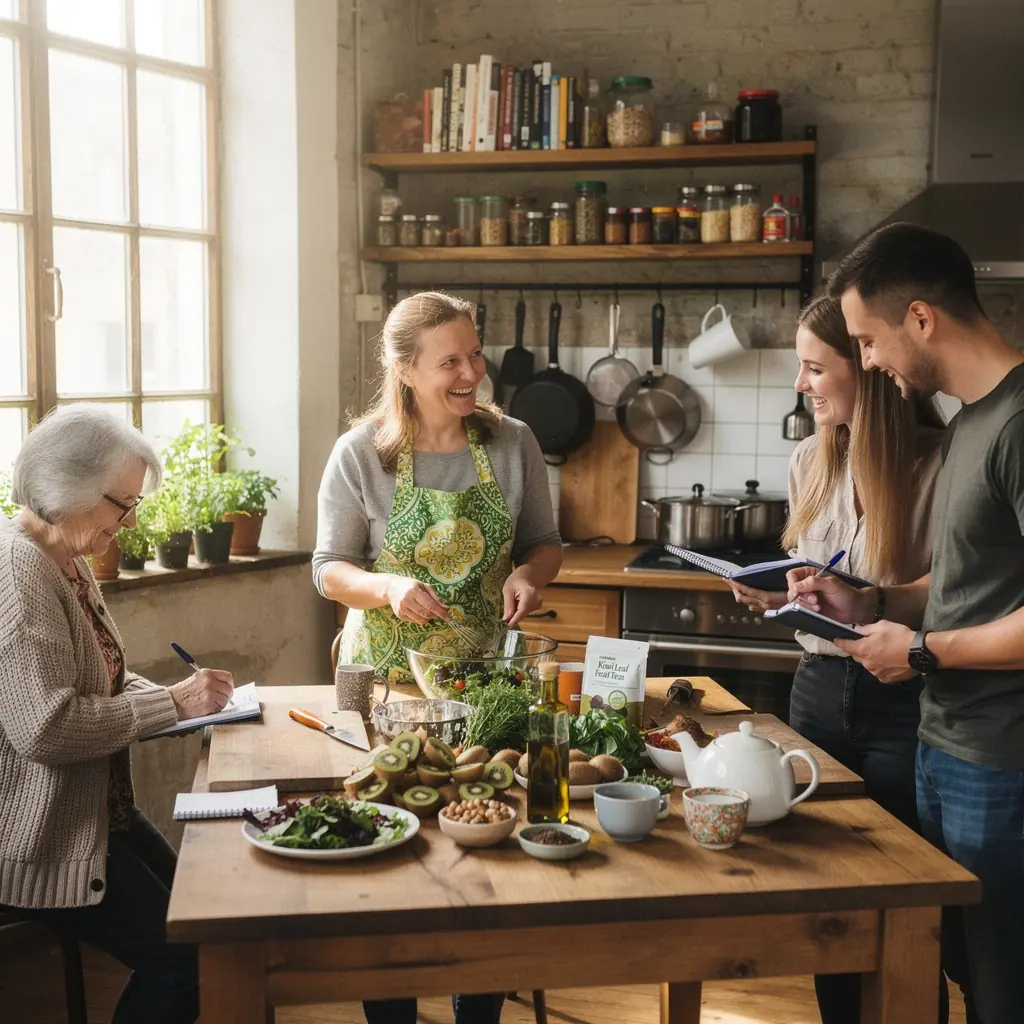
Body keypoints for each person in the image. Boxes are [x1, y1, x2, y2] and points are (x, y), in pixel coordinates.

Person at [788, 223, 1024, 1024]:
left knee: (1003, 983)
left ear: (920, 318)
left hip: (1003, 759)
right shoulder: (972, 425)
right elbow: (961, 584)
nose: (873, 362)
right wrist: (875, 604)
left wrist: (922, 653)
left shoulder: (1020, 425)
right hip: (946, 744)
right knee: (954, 968)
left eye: (867, 341)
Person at [313, 291, 562, 1024]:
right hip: (385, 685)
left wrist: (529, 575)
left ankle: (474, 1009)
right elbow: (329, 568)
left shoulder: (513, 442)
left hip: (480, 685)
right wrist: (387, 586)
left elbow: (545, 543)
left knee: (479, 848)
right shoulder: (361, 453)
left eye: (474, 355)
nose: (471, 373)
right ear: (404, 369)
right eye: (450, 360)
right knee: (391, 853)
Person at [726, 295, 946, 1024]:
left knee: (905, 907)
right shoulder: (806, 461)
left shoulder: (937, 464)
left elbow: (954, 597)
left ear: (870, 371)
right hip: (818, 691)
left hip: (904, 699)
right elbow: (819, 577)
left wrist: (872, 599)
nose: (800, 384)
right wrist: (784, 592)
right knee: (828, 905)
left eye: (815, 367)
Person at [0, 405, 237, 1024]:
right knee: (188, 966)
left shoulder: (65, 556)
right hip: (45, 838)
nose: (128, 522)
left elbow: (98, 679)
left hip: (101, 816)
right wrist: (173, 704)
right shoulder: (20, 577)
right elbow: (44, 728)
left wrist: (183, 695)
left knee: (209, 930)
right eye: (120, 504)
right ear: (64, 489)